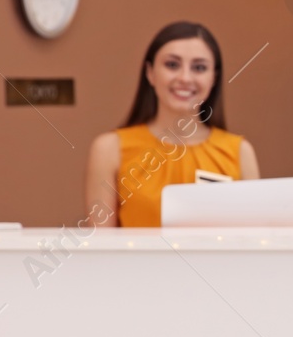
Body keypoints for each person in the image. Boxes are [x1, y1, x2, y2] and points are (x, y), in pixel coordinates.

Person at [86, 22, 260, 227]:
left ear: (214, 78)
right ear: (150, 73)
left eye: (199, 68)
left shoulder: (239, 152)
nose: (185, 78)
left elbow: (250, 241)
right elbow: (102, 246)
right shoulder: (109, 149)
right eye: (172, 65)